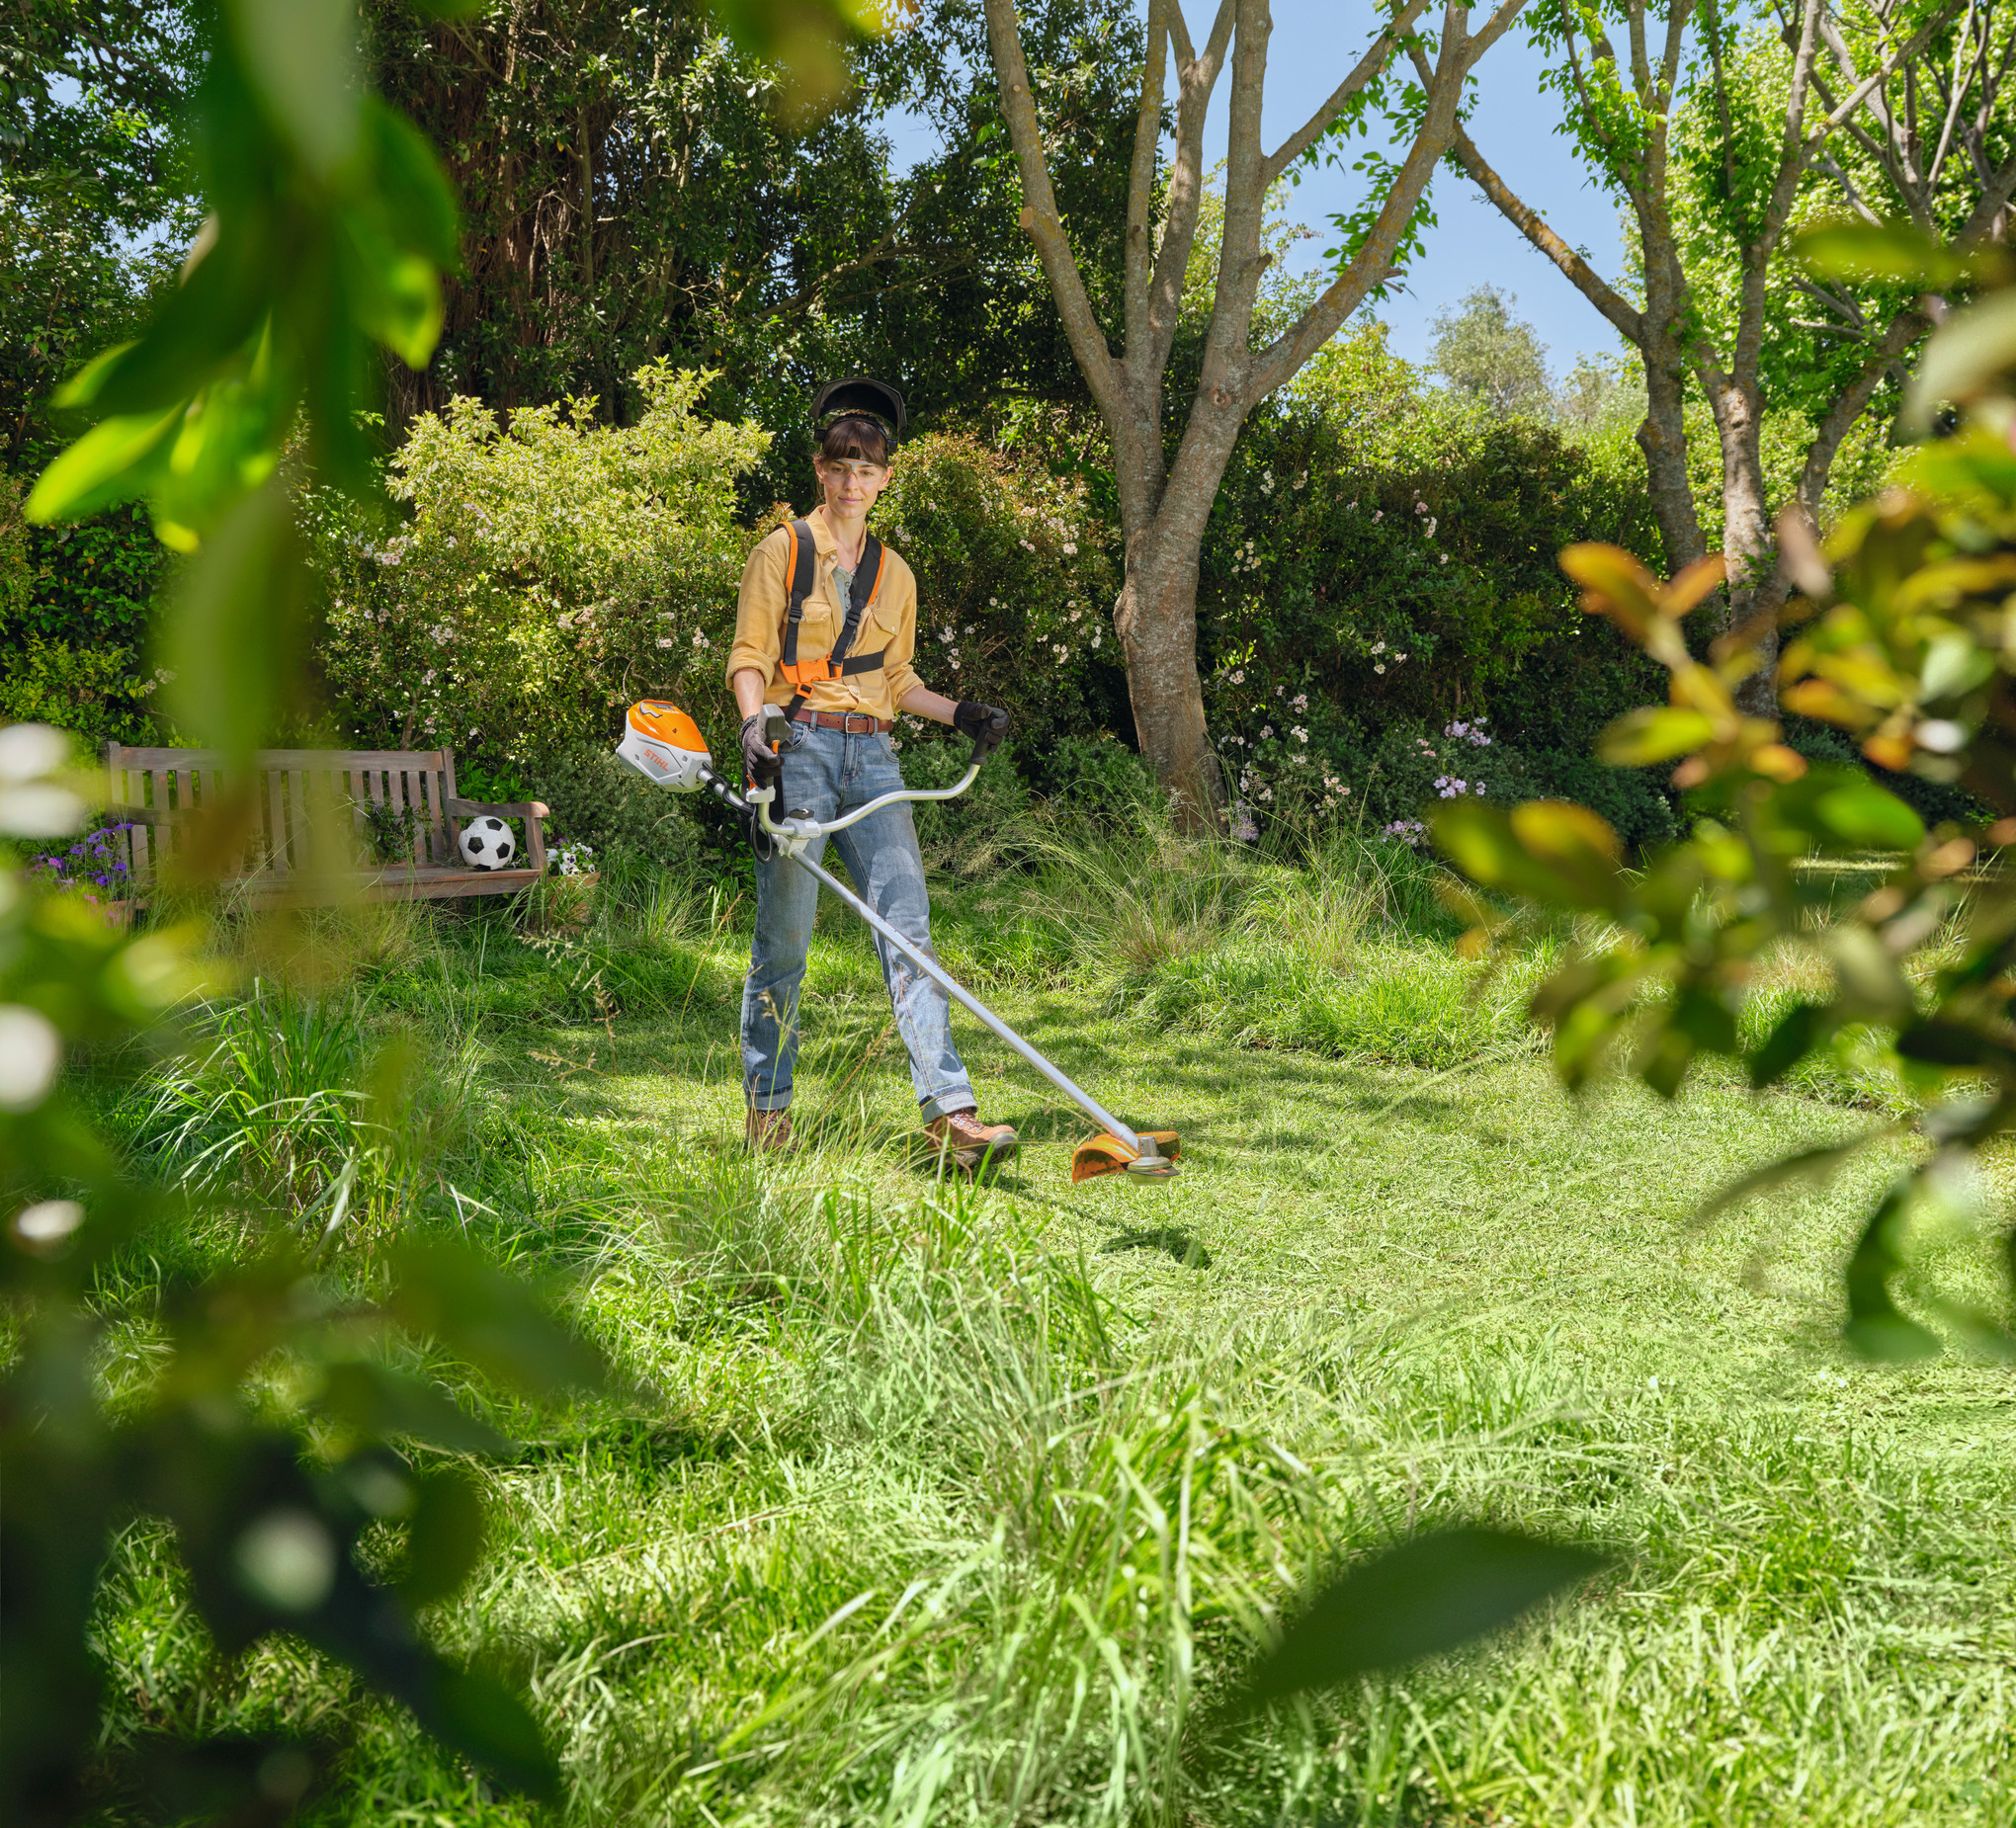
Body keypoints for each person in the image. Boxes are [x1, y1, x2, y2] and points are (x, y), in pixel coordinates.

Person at [726, 377, 1016, 1171]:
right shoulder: (781, 551)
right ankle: (769, 1110)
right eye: (841, 465)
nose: (854, 481)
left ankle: (950, 1116)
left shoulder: (897, 574)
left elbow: (897, 680)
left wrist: (960, 713)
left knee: (908, 933)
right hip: (802, 751)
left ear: (886, 478)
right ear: (821, 470)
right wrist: (757, 726)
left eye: (868, 469)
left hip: (876, 758)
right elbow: (750, 659)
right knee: (784, 941)